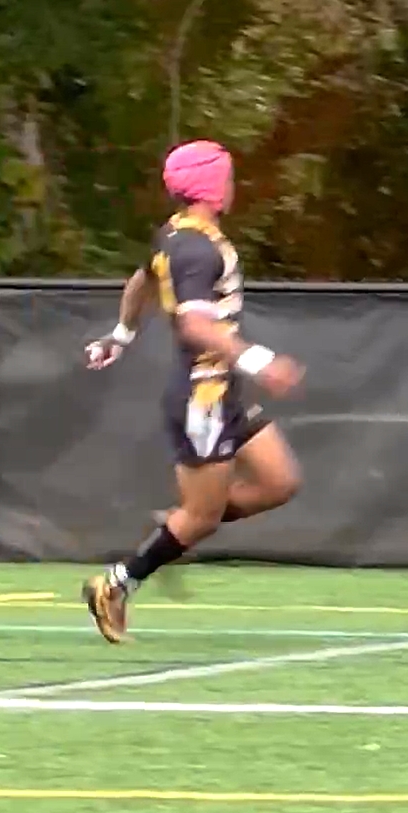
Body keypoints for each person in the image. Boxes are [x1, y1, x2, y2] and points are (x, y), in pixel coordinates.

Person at [78, 139, 306, 643]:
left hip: (224, 391)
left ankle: (174, 529)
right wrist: (258, 359)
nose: (233, 185)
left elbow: (141, 280)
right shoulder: (196, 248)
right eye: (227, 176)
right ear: (212, 184)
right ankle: (115, 583)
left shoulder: (176, 234)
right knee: (202, 517)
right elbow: (194, 325)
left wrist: (121, 335)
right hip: (203, 398)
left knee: (280, 482)